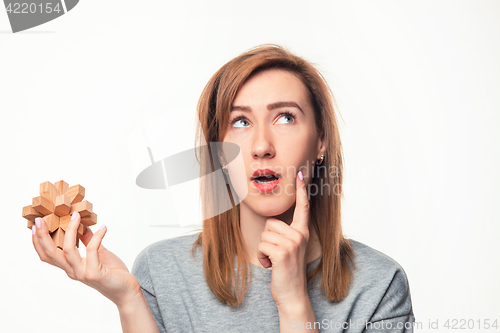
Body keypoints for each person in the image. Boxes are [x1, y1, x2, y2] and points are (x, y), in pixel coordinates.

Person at [31, 44, 415, 332]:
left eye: (285, 117)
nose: (262, 146)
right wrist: (128, 299)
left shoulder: (379, 286)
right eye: (241, 122)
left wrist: (295, 303)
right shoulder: (162, 273)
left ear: (320, 142)